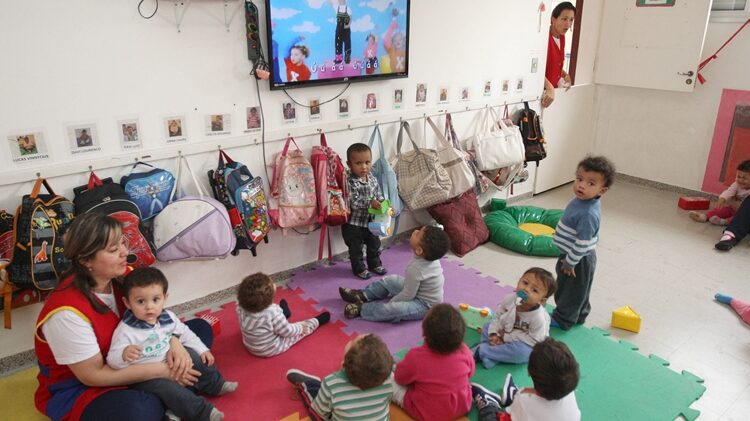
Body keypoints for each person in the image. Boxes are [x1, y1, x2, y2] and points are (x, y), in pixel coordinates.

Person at [34, 213, 213, 421]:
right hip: (86, 386)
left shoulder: (120, 278)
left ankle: (170, 395)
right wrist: (164, 370)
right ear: (85, 260)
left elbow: (157, 319)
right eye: (113, 250)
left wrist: (174, 343)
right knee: (139, 411)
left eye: (122, 243)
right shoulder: (66, 313)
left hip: (139, 357)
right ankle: (173, 393)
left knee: (200, 328)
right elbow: (92, 376)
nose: (125, 252)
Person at [107, 268, 237, 421]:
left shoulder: (167, 316)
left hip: (170, 360)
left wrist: (203, 350)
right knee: (167, 388)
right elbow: (112, 361)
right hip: (146, 376)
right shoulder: (125, 330)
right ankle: (203, 412)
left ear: (165, 298)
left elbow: (186, 333)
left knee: (195, 356)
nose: (149, 307)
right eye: (141, 301)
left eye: (155, 300)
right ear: (127, 303)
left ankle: (215, 384)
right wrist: (123, 354)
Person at [551, 156, 615, 330]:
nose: (581, 185)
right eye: (579, 179)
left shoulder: (588, 213)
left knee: (569, 290)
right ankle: (580, 314)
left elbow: (582, 242)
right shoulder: (583, 201)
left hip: (577, 259)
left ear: (602, 190)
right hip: (574, 256)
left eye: (591, 183)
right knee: (580, 288)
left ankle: (564, 319)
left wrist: (570, 262)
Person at [339, 225, 450, 321]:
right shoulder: (430, 257)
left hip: (425, 305)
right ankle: (363, 295)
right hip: (416, 290)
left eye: (418, 234)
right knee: (391, 280)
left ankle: (362, 309)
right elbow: (410, 289)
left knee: (394, 309)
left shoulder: (417, 269)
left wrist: (392, 303)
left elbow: (408, 294)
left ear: (419, 250)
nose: (415, 231)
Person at [391, 304, 474, 421]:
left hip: (426, 413)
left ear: (425, 334)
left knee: (389, 380)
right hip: (462, 406)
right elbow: (470, 373)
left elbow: (400, 379)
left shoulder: (416, 356)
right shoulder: (465, 350)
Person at [285, 334, 394, 420]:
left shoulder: (332, 382)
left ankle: (306, 385)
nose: (351, 340)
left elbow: (320, 412)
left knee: (315, 404)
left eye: (353, 341)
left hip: (331, 393)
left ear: (345, 364)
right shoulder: (389, 379)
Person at [471, 338, 581, 421]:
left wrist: (520, 398)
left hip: (522, 408)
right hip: (527, 407)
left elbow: (508, 418)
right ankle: (511, 397)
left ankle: (489, 403)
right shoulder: (568, 389)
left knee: (488, 416)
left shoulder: (525, 400)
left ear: (529, 372)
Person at [474, 268, 556, 368]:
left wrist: (506, 337)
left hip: (524, 341)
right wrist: (494, 333)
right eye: (525, 283)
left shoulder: (539, 318)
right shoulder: (509, 299)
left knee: (524, 353)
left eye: (534, 290)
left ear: (542, 301)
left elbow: (535, 340)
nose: (526, 289)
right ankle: (492, 354)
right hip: (504, 331)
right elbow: (498, 316)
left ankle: (482, 351)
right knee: (487, 326)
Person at [236, 272, 330, 357]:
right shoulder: (273, 313)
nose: (274, 284)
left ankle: (284, 314)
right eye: (271, 284)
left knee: (272, 322)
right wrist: (301, 328)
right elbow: (288, 331)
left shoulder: (240, 306)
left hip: (250, 345)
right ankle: (316, 322)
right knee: (302, 328)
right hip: (270, 348)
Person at [339, 143, 387, 279]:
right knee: (356, 249)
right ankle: (359, 268)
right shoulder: (349, 181)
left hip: (372, 222)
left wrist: (384, 204)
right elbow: (353, 201)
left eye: (367, 162)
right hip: (354, 225)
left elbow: (378, 194)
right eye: (358, 163)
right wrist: (370, 202)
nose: (364, 167)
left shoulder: (372, 178)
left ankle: (375, 264)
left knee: (374, 245)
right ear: (349, 164)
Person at [690, 160, 750, 225]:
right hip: (732, 209)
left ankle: (724, 222)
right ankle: (705, 216)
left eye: (744, 178)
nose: (740, 180)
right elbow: (729, 192)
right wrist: (723, 198)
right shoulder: (736, 184)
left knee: (739, 219)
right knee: (722, 210)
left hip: (744, 214)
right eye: (738, 177)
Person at [542, 2, 575, 108]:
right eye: (564, 19)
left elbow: (555, 65)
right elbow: (535, 70)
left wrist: (565, 75)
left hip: (552, 95)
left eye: (571, 20)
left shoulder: (561, 38)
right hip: (542, 95)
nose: (568, 24)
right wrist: (549, 87)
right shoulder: (543, 38)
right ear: (553, 19)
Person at [384, 8, 406, 72]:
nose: (397, 41)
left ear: (404, 41)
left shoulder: (406, 53)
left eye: (400, 39)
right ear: (392, 42)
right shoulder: (391, 51)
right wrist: (392, 27)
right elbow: (386, 41)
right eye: (395, 40)